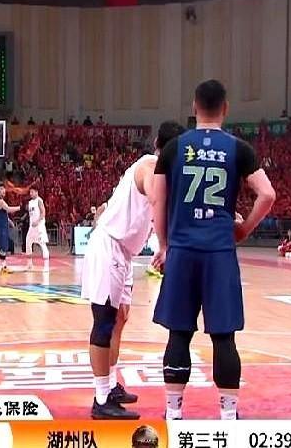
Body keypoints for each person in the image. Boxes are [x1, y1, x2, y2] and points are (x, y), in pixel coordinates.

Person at [151, 79, 275, 420]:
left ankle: (173, 414)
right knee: (223, 336)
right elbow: (267, 194)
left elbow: (158, 201)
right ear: (226, 108)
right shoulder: (239, 149)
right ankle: (229, 416)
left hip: (183, 251)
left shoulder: (174, 148)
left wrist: (164, 245)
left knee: (179, 333)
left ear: (194, 107)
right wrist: (244, 229)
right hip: (219, 252)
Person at [82, 120, 185, 420]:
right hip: (110, 246)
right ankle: (101, 399)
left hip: (124, 252)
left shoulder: (160, 171)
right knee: (104, 321)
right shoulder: (150, 165)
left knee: (120, 319)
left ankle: (111, 385)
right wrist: (164, 246)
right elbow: (156, 199)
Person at [0, 184, 21, 274]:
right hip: (1, 227)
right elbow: (8, 209)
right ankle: (3, 267)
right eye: (1, 189)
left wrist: (9, 221)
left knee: (0, 249)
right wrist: (20, 208)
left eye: (4, 189)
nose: (4, 191)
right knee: (4, 247)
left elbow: (2, 213)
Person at [24, 187, 50, 270]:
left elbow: (43, 213)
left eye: (32, 192)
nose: (31, 193)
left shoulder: (39, 200)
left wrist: (37, 221)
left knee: (42, 244)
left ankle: (46, 265)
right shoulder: (30, 202)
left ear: (36, 192)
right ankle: (29, 264)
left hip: (39, 226)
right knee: (28, 242)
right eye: (30, 192)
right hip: (32, 227)